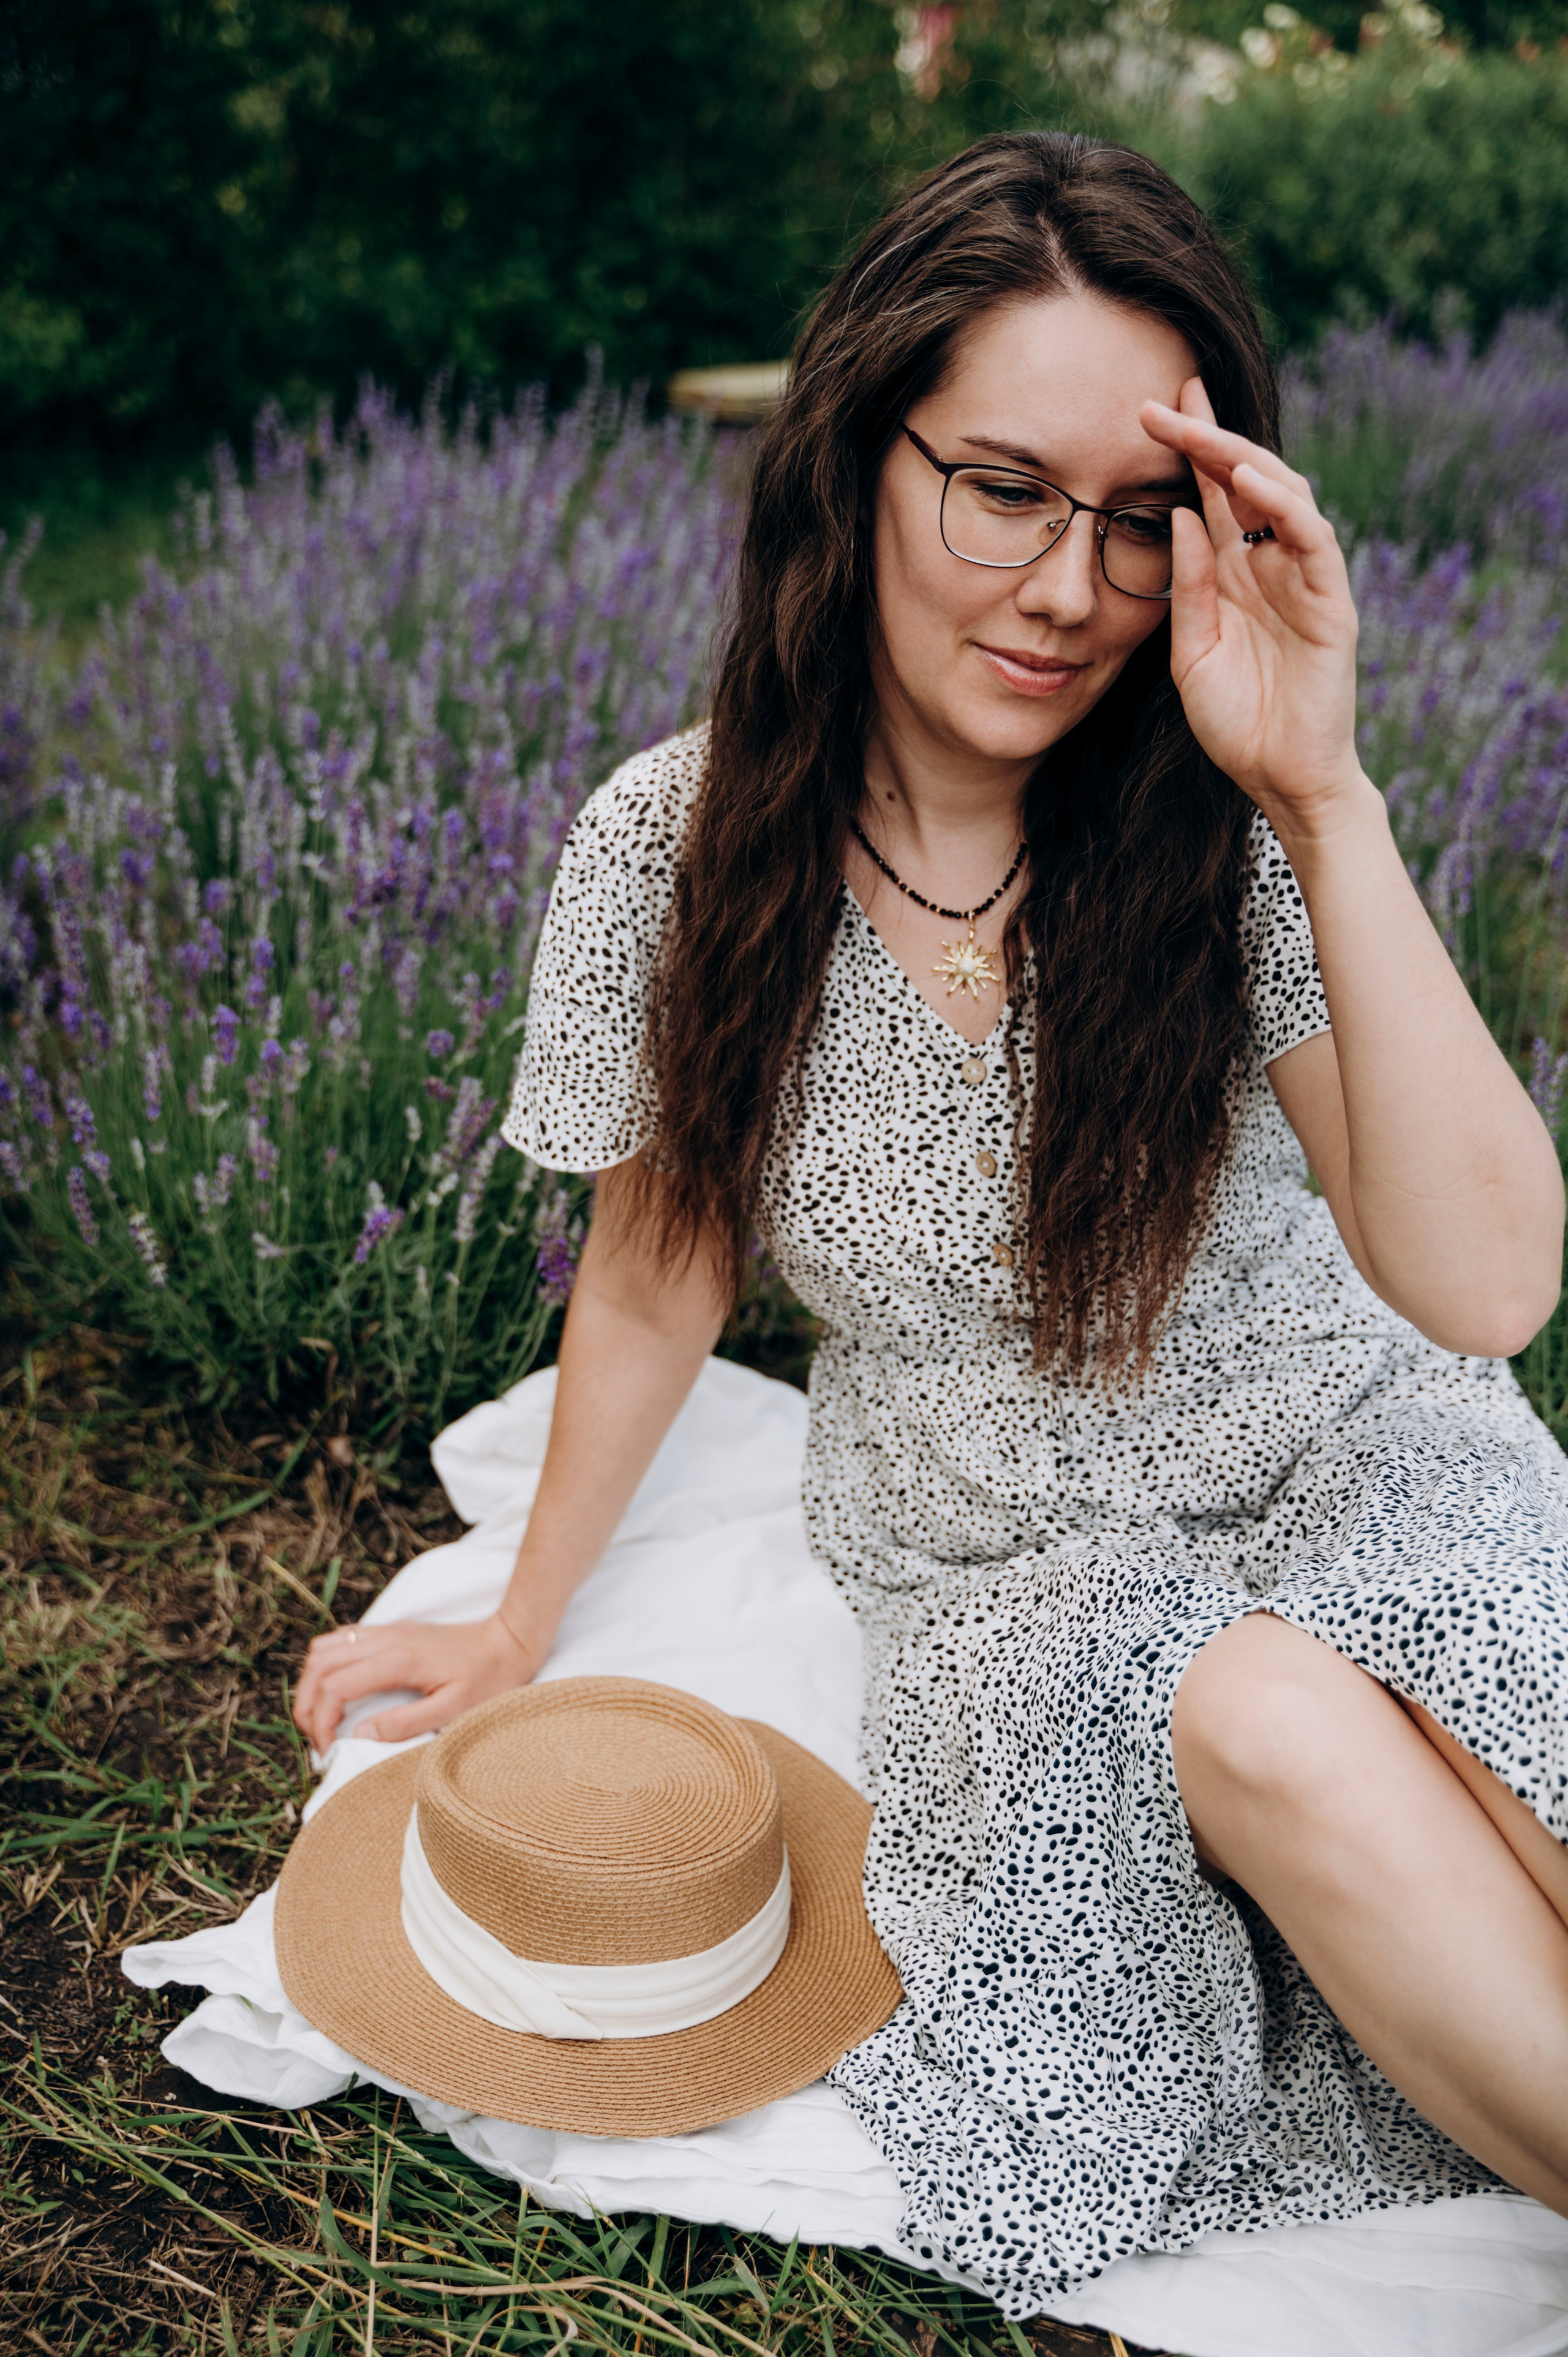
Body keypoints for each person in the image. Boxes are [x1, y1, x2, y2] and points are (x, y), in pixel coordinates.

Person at [293, 133, 1568, 2308]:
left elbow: (1484, 1288)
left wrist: (1328, 796)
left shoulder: (1217, 813)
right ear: (860, 459)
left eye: (1143, 515)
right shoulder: (680, 852)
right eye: (1002, 484)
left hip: (1360, 1442)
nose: (1071, 586)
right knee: (1254, 1709)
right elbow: (658, 1261)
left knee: (1488, 1687)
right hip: (1024, 1564)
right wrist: (520, 1620)